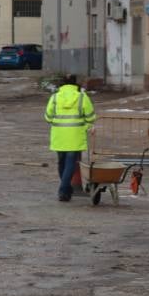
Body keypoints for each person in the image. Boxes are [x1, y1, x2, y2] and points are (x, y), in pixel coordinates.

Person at [44, 74, 96, 202]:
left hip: (59, 135)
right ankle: (64, 189)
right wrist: (86, 126)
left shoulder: (55, 97)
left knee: (61, 163)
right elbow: (90, 116)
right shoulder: (82, 97)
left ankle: (65, 190)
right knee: (70, 164)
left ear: (62, 84)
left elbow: (48, 116)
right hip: (75, 135)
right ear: (75, 84)